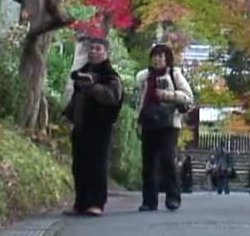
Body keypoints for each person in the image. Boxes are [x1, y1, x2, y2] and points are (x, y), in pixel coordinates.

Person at [61, 37, 124, 217]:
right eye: (92, 49)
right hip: (81, 127)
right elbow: (76, 99)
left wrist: (93, 87)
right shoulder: (81, 73)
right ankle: (80, 203)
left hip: (100, 128)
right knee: (79, 166)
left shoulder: (111, 76)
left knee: (96, 165)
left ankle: (97, 202)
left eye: (98, 49)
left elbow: (113, 98)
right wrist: (68, 114)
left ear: (106, 53)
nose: (94, 52)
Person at [134, 43, 193, 212]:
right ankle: (149, 201)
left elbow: (188, 97)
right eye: (155, 56)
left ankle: (173, 198)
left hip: (169, 123)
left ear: (167, 59)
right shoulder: (144, 77)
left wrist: (167, 95)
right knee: (148, 163)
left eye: (161, 56)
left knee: (168, 160)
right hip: (148, 122)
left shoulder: (175, 74)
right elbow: (140, 100)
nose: (157, 59)